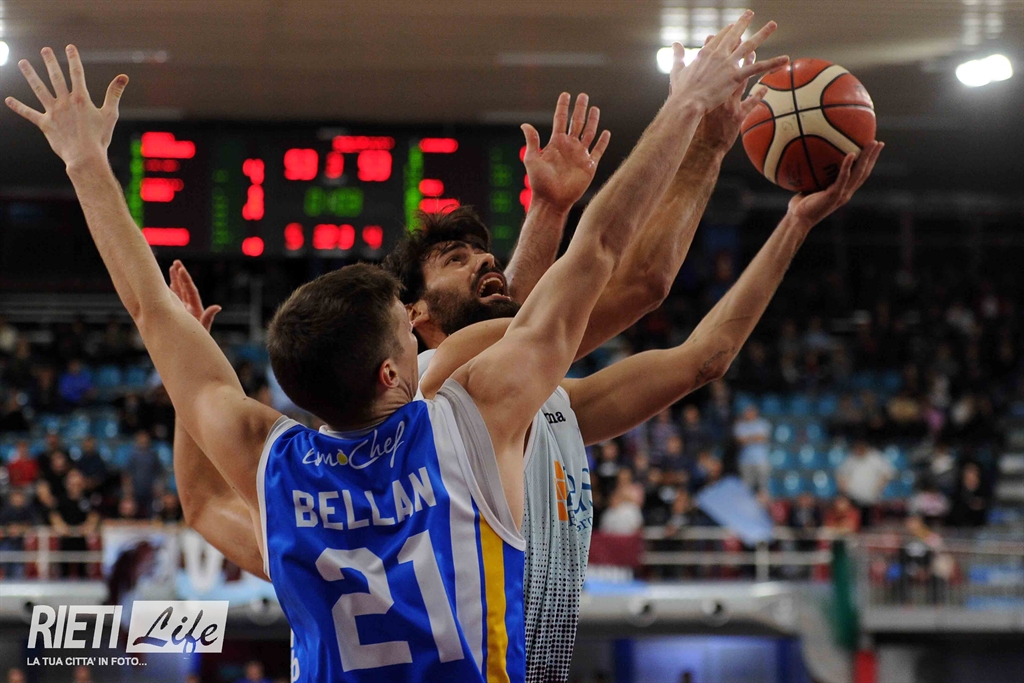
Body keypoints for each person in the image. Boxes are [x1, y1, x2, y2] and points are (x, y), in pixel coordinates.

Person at [9, 26, 788, 681]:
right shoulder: (464, 416)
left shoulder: (275, 470)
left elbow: (153, 325)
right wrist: (687, 109)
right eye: (404, 326)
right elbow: (599, 263)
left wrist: (86, 165)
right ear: (394, 366)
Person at [49, 469, 100, 578]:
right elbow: (54, 516)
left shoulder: (88, 498)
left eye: (77, 483)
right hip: (65, 540)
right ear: (67, 483)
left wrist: (87, 528)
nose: (75, 486)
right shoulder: (61, 499)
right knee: (63, 572)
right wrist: (62, 527)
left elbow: (94, 516)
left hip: (82, 540)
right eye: (72, 483)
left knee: (83, 572)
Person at [837, 439, 895, 527]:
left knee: (869, 524)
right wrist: (844, 490)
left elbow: (888, 473)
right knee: (855, 523)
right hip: (854, 498)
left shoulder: (876, 458)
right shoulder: (851, 458)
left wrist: (879, 487)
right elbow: (841, 474)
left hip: (871, 498)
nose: (858, 450)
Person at [0, 488, 39, 578]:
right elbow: (2, 526)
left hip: (23, 544)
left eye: (19, 497)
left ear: (23, 498)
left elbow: (33, 525)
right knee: (4, 556)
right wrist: (9, 529)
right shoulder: (6, 511)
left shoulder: (28, 511)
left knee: (18, 568)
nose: (17, 499)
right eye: (15, 497)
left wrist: (20, 529)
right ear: (11, 498)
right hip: (7, 543)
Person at [733, 404, 772, 493]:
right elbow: (740, 441)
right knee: (746, 487)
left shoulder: (762, 423)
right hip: (745, 460)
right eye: (747, 412)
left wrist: (748, 438)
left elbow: (763, 438)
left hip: (761, 460)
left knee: (763, 486)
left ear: (755, 412)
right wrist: (755, 437)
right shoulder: (740, 425)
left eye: (751, 412)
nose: (749, 414)